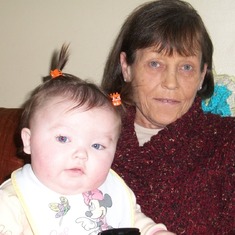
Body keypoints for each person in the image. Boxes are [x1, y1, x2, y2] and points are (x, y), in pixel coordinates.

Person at [0, 44, 175, 235]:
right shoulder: (12, 201)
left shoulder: (111, 191)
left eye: (97, 145)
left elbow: (134, 219)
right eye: (63, 138)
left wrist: (155, 232)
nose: (81, 154)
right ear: (28, 141)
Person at [101, 0, 235, 234]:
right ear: (126, 67)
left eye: (186, 67)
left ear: (203, 74)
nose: (171, 83)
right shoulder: (84, 135)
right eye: (155, 63)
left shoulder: (228, 143)